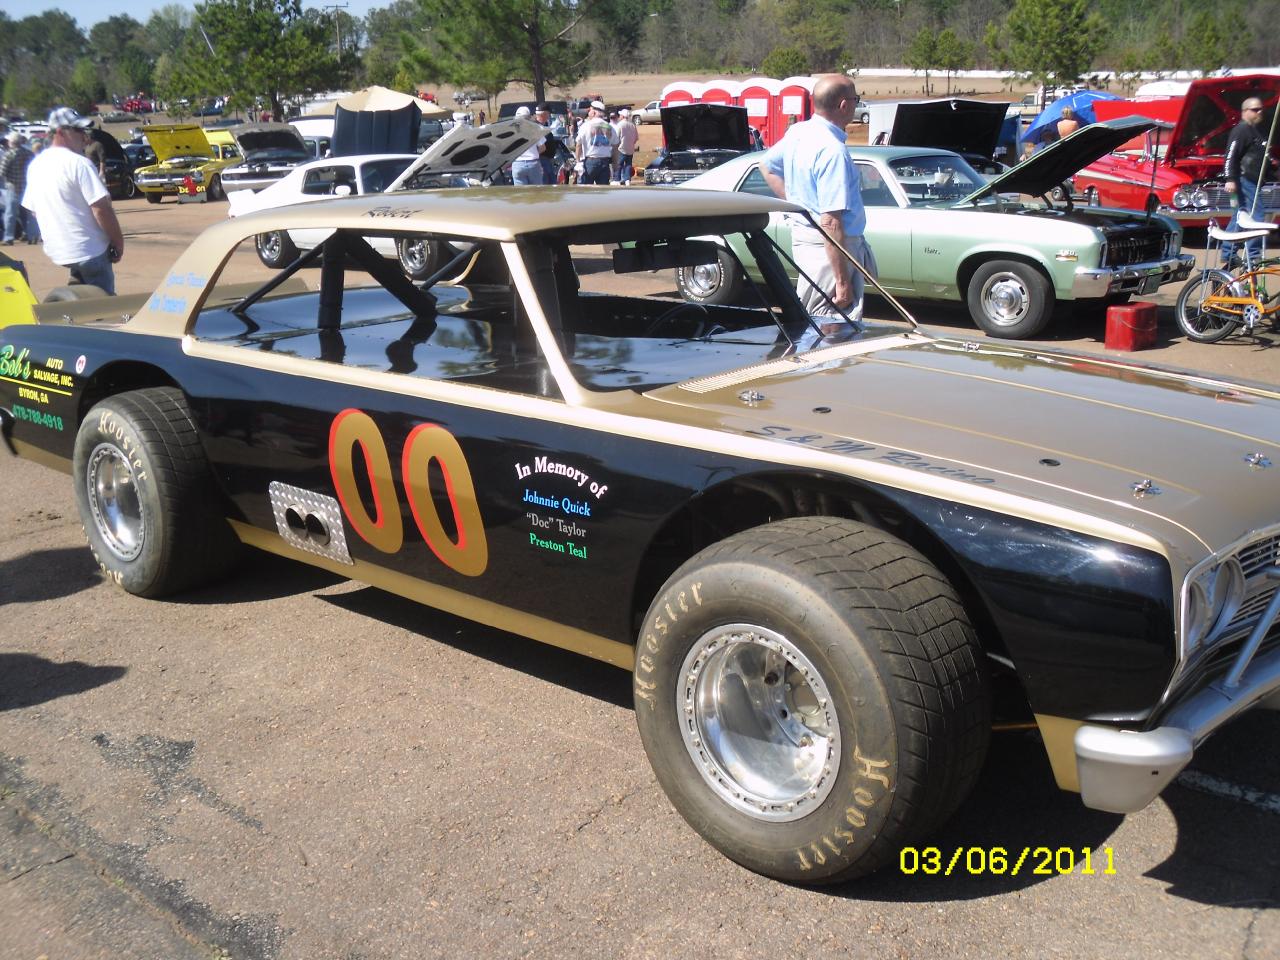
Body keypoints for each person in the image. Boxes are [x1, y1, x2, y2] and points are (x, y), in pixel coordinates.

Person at [761, 73, 873, 321]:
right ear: (844, 105)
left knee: (817, 324)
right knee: (831, 326)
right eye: (855, 100)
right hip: (828, 253)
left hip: (808, 243)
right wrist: (842, 282)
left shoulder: (798, 132)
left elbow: (767, 167)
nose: (855, 105)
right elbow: (831, 222)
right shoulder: (832, 150)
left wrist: (799, 206)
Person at [22, 107, 125, 294]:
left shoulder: (36, 164)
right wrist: (118, 241)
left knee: (80, 293)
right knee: (105, 303)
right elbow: (101, 209)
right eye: (78, 130)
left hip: (60, 250)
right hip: (90, 250)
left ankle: (75, 294)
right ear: (60, 132)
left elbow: (34, 210)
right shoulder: (79, 163)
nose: (84, 137)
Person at [1222, 96, 1272, 266]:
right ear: (1244, 111)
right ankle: (1253, 254)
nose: (1260, 112)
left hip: (1252, 181)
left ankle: (1228, 252)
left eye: (1261, 109)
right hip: (1244, 180)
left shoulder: (1255, 131)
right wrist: (1230, 178)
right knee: (1257, 215)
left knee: (1239, 215)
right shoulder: (1241, 130)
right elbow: (1230, 155)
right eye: (1255, 109)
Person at [1, 132, 39, 245]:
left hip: (13, 187)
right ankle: (32, 235)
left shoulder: (9, 154)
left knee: (10, 213)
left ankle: (8, 237)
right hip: (27, 187)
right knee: (28, 213)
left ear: (11, 142)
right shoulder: (29, 153)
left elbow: (2, 172)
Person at [574, 101, 618, 186]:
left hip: (590, 161)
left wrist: (578, 162)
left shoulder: (586, 125)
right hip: (605, 162)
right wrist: (615, 164)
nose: (588, 112)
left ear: (593, 112)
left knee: (586, 188)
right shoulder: (610, 127)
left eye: (590, 110)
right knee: (603, 189)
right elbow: (615, 147)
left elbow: (578, 144)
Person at [510, 105, 546, 185]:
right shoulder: (535, 129)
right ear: (529, 117)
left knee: (521, 192)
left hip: (517, 164)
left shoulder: (511, 131)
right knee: (536, 190)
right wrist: (534, 153)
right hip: (533, 163)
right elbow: (543, 147)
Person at [613, 108, 638, 185]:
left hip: (621, 148)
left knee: (618, 164)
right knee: (628, 165)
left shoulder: (620, 124)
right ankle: (627, 180)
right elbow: (636, 138)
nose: (619, 116)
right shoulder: (632, 125)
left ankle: (617, 180)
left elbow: (616, 136)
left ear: (623, 116)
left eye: (620, 115)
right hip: (630, 148)